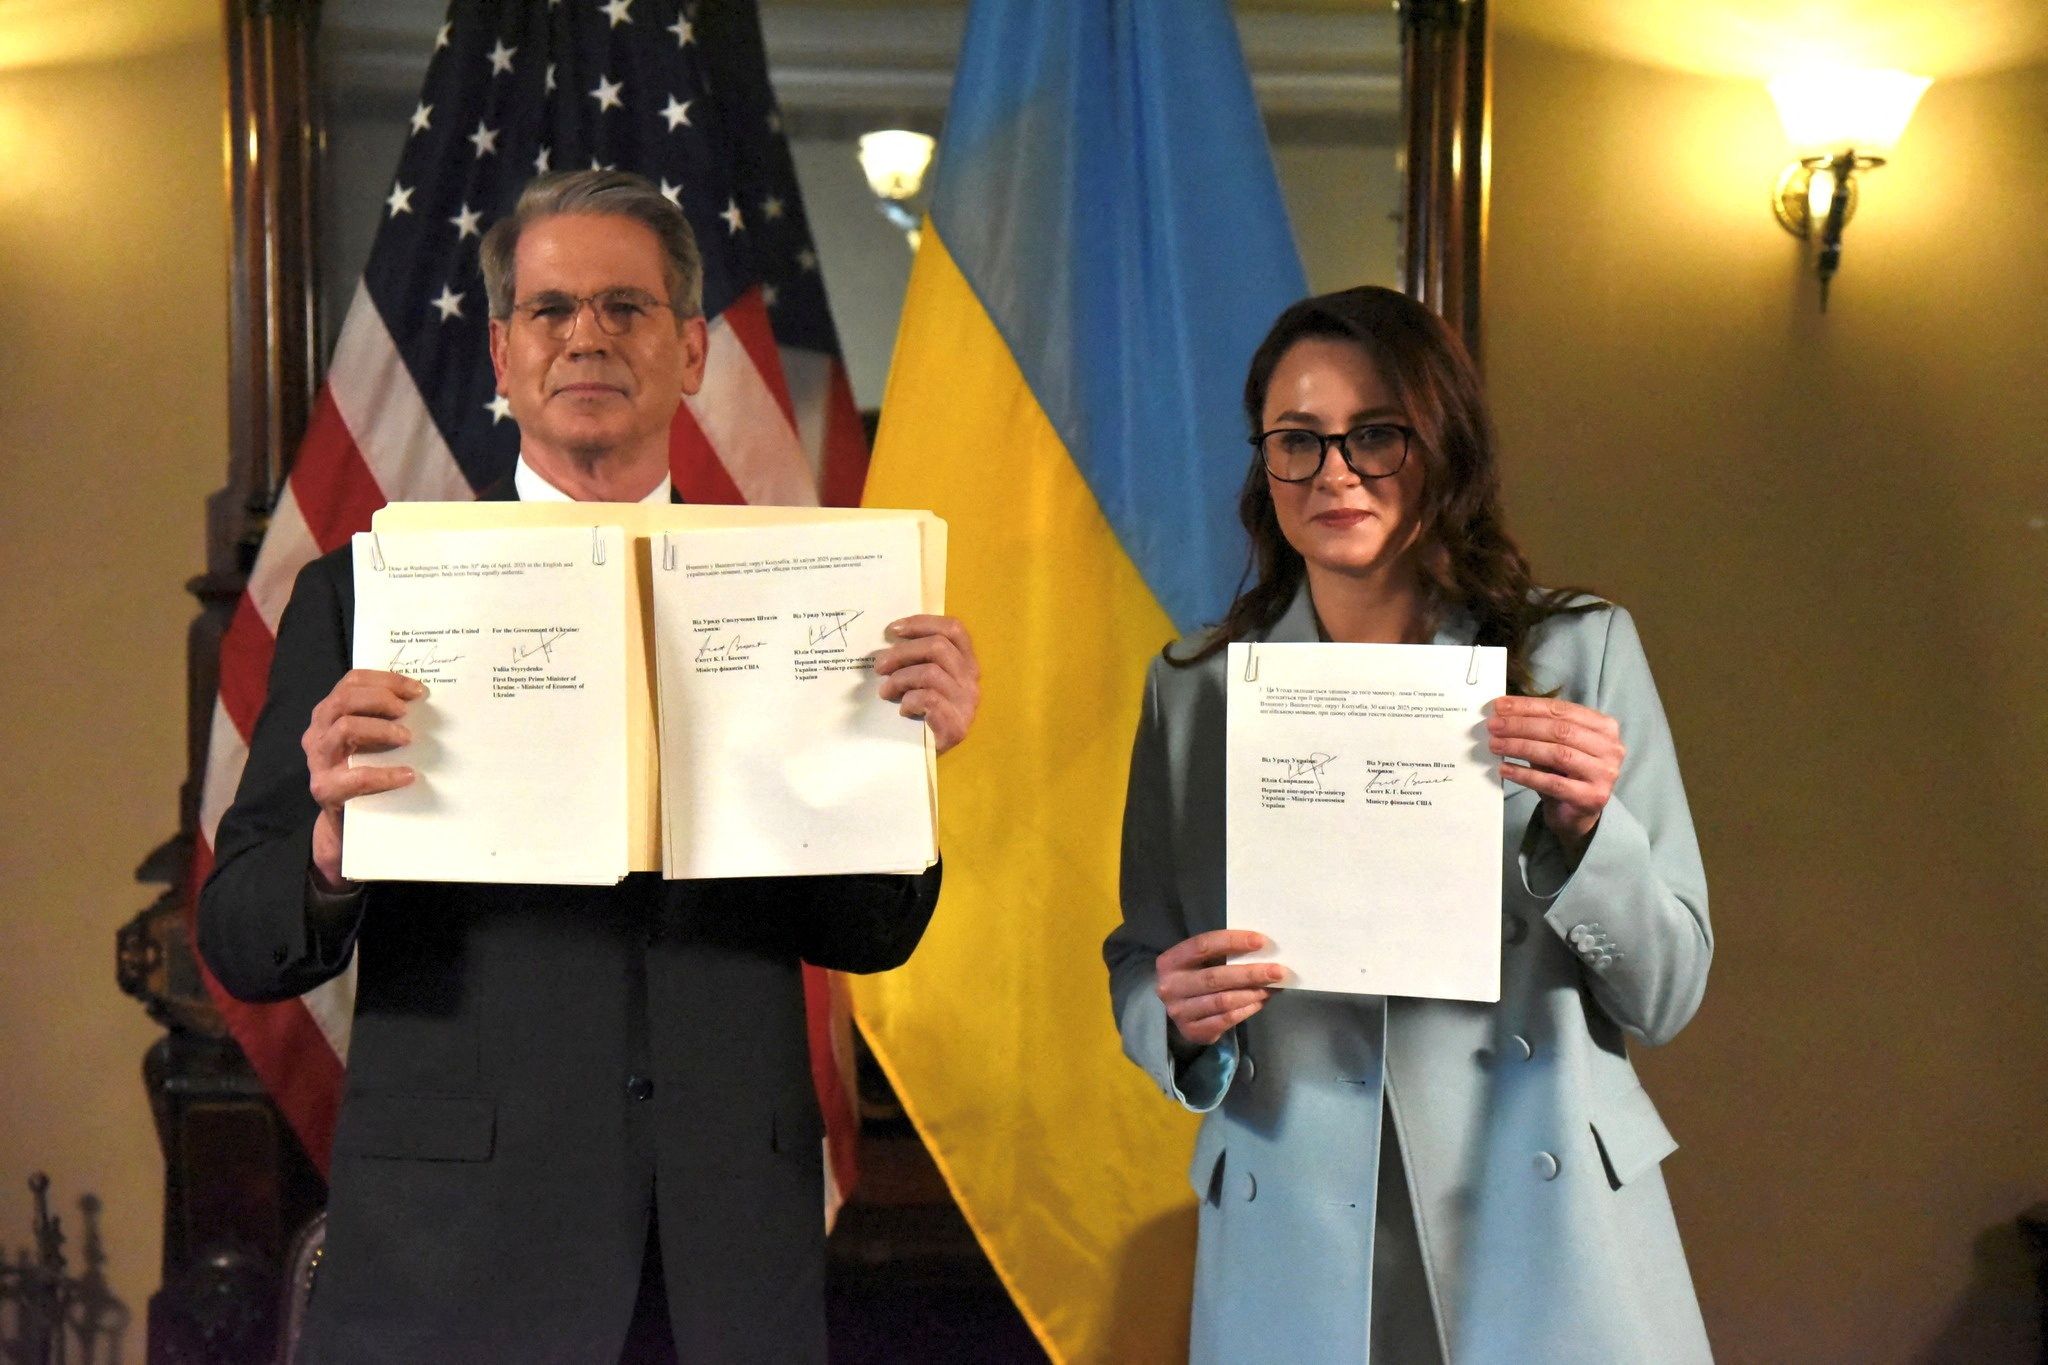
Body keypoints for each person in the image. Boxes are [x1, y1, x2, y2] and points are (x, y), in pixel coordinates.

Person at [199, 170, 981, 1365]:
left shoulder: (807, 598)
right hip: (453, 1259)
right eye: (552, 311)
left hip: (726, 1259)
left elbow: (871, 929)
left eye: (626, 308)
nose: (588, 338)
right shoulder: (363, 597)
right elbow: (246, 940)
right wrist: (324, 839)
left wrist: (903, 767)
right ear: (503, 356)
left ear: (692, 349)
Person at [1104, 286, 1711, 1363]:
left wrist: (1584, 832)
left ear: (1442, 446)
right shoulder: (1192, 688)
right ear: (1264, 465)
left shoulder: (1580, 652)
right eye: (1297, 441)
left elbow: (1664, 994)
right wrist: (1177, 1016)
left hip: (1541, 1215)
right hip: (1292, 1218)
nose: (1334, 472)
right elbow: (1142, 956)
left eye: (1374, 435)